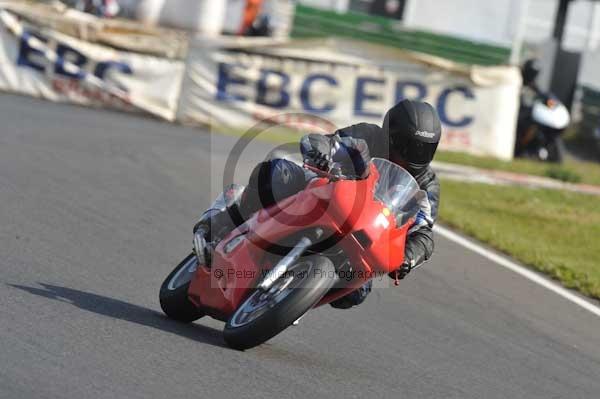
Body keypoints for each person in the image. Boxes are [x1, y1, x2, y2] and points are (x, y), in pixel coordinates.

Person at [195, 99, 442, 309]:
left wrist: (409, 257)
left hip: (363, 235)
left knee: (358, 290)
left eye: (424, 150)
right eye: (408, 146)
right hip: (326, 196)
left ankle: (291, 300)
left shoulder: (427, 185)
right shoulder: (368, 135)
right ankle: (221, 222)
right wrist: (321, 152)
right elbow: (330, 141)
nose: (414, 154)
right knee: (276, 174)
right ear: (391, 136)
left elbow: (424, 232)